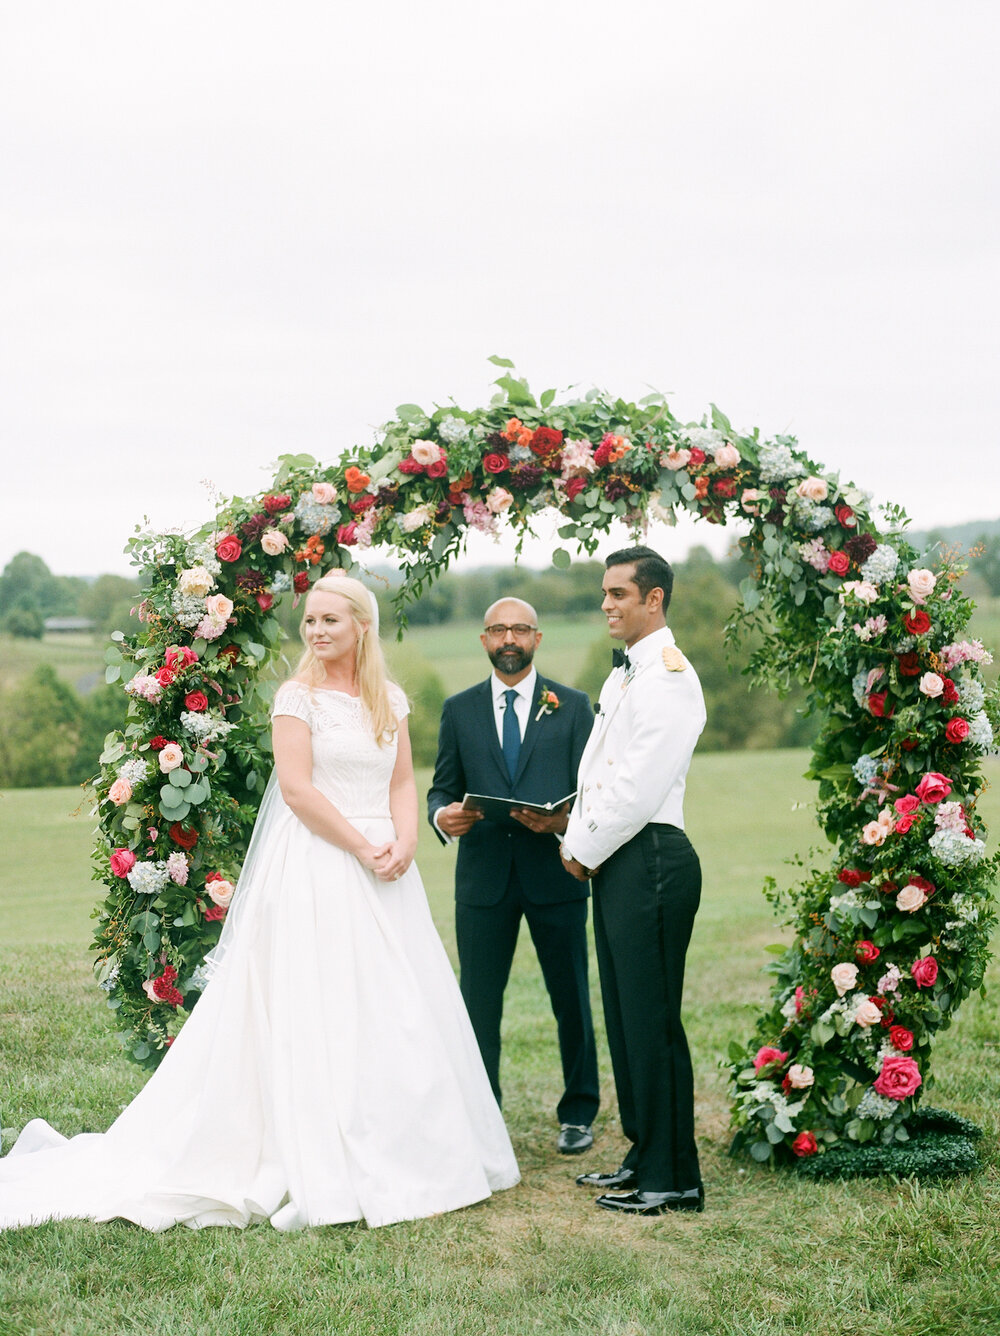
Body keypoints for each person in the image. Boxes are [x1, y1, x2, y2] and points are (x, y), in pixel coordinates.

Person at [0, 574, 519, 1231]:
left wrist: (407, 840)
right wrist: (364, 847)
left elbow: (402, 780)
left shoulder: (388, 697)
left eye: (332, 619)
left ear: (363, 625)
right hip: (323, 865)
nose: (318, 630)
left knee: (397, 1004)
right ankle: (324, 1151)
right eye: (310, 621)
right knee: (325, 1002)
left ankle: (412, 1147)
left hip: (388, 868)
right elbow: (299, 793)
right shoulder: (295, 699)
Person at [560, 547, 707, 1215]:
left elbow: (638, 785)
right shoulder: (629, 676)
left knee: (651, 1022)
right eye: (604, 592)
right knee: (625, 1019)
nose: (607, 604)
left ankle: (671, 1176)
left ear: (654, 599)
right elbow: (601, 776)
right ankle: (645, 1151)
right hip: (622, 857)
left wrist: (580, 847)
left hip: (649, 856)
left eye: (620, 593)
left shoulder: (669, 678)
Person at [428, 597, 600, 1155]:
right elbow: (441, 785)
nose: (509, 638)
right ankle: (482, 1115)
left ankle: (579, 1112)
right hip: (483, 879)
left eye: (520, 629)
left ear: (537, 638)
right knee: (478, 1001)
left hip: (556, 873)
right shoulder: (459, 709)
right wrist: (442, 815)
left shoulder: (573, 707)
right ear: (483, 640)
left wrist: (563, 821)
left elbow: (596, 794)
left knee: (571, 996)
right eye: (498, 629)